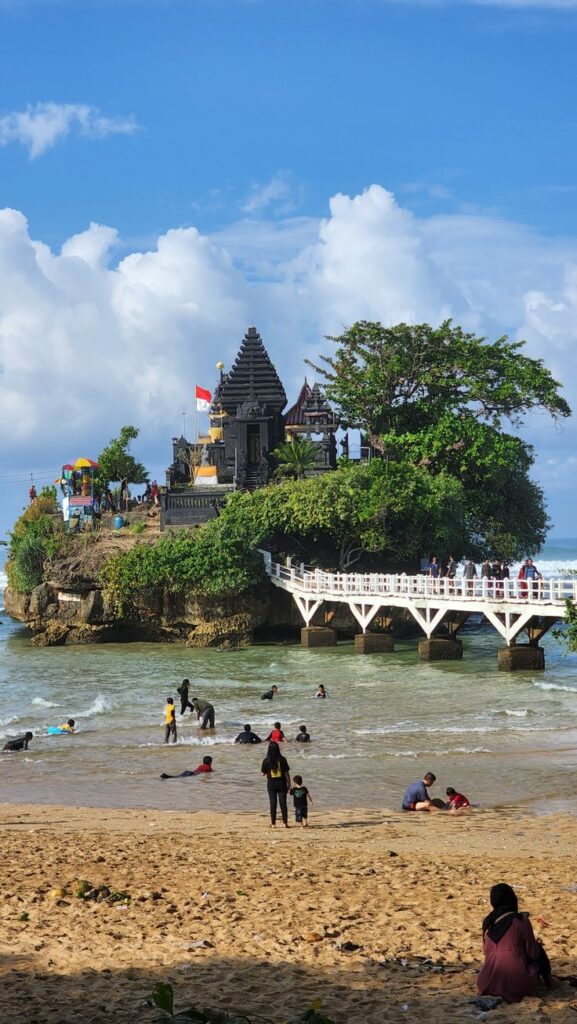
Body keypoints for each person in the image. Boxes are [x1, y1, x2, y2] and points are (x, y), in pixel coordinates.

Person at [477, 883, 552, 1003]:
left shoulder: (488, 924)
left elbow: (486, 951)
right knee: (538, 949)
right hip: (517, 984)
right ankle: (549, 981)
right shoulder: (520, 921)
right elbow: (533, 953)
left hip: (487, 984)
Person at [261, 741, 291, 828]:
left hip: (271, 784)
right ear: (278, 749)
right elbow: (286, 773)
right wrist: (289, 784)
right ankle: (285, 823)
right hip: (282, 784)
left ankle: (273, 824)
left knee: (273, 804)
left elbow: (263, 773)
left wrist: (267, 772)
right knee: (283, 803)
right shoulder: (282, 760)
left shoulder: (266, 760)